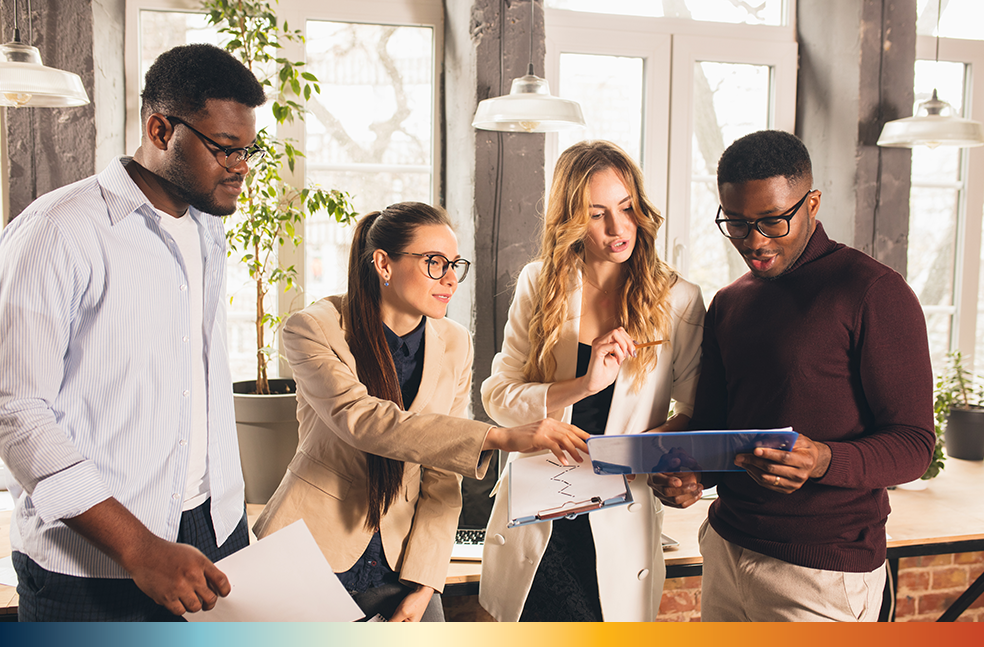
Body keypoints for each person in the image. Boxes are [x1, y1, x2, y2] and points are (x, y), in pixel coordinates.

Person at [0, 44, 267, 621]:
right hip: (93, 560)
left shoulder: (205, 227)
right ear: (160, 129)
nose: (241, 165)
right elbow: (16, 412)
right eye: (225, 149)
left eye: (248, 150)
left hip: (214, 528)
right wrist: (139, 546)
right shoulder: (56, 232)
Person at [252, 202, 589, 622]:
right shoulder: (314, 327)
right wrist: (496, 436)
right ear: (384, 264)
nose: (450, 279)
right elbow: (363, 420)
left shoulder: (455, 343)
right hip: (312, 548)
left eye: (454, 264)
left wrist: (426, 584)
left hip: (404, 563)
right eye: (434, 262)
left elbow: (441, 476)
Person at [650, 129, 935, 622]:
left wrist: (823, 459)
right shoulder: (729, 302)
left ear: (812, 203)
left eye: (773, 221)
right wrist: (692, 476)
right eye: (736, 224)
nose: (754, 242)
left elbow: (915, 446)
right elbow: (721, 430)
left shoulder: (873, 292)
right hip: (725, 548)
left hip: (822, 571)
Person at [478, 140, 706, 622]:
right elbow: (497, 396)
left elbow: (692, 411)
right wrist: (582, 385)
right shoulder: (539, 283)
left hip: (618, 515)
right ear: (570, 220)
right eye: (596, 213)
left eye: (626, 208)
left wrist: (642, 452)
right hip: (540, 520)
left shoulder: (679, 299)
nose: (618, 228)